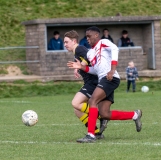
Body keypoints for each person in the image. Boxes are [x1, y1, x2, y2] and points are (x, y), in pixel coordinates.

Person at [67, 26, 142, 143]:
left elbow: (115, 49)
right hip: (103, 79)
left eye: (89, 36)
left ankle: (91, 135)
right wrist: (81, 67)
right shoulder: (91, 53)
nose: (87, 38)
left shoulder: (103, 42)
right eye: (86, 36)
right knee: (104, 113)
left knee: (92, 101)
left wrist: (112, 69)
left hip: (111, 78)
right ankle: (134, 115)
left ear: (96, 35)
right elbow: (95, 71)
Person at [64, 30, 108, 139]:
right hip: (90, 82)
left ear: (74, 41)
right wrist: (78, 68)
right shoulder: (77, 53)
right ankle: (96, 132)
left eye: (66, 42)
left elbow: (90, 56)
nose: (65, 45)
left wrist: (81, 65)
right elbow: (84, 61)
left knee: (75, 103)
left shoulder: (79, 49)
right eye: (64, 42)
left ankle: (102, 116)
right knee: (77, 110)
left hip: (93, 82)